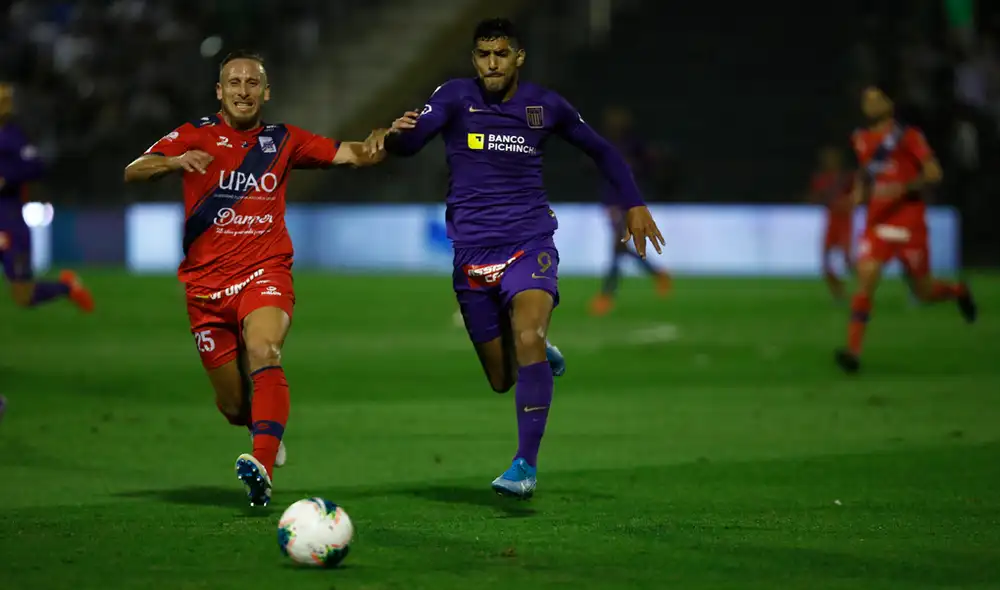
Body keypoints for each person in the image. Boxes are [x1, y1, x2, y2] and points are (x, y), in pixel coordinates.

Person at [371, 18, 664, 498]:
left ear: (518, 57)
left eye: (501, 54)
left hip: (529, 244)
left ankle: (525, 465)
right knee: (501, 378)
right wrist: (397, 134)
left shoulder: (545, 106)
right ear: (473, 59)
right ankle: (535, 350)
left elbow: (603, 151)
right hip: (470, 255)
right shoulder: (452, 96)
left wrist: (633, 202)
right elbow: (409, 143)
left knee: (527, 333)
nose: (491, 63)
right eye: (483, 54)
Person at [123, 50, 386, 506]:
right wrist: (173, 161)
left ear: (266, 92)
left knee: (265, 349)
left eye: (252, 83)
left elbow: (355, 154)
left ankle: (261, 464)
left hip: (264, 274)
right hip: (205, 291)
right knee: (232, 406)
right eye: (234, 83)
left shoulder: (284, 140)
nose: (243, 91)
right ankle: (262, 429)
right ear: (219, 92)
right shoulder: (194, 135)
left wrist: (382, 140)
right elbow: (133, 170)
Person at [835, 84, 976, 374]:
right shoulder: (860, 140)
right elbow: (865, 175)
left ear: (890, 103)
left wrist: (904, 187)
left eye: (877, 99)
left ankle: (958, 290)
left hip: (909, 223)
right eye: (866, 100)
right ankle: (853, 352)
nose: (871, 105)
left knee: (923, 292)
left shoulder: (908, 137)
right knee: (866, 280)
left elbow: (934, 173)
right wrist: (858, 195)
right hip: (878, 223)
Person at [0, 81, 93, 311]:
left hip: (8, 220)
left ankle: (67, 286)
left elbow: (36, 166)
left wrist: (6, 178)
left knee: (23, 295)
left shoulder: (14, 137)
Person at [806, 145, 855, 301]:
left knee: (848, 261)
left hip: (845, 222)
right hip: (831, 221)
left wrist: (849, 202)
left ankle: (865, 288)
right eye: (827, 158)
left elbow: (859, 194)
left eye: (832, 158)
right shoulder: (821, 179)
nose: (829, 161)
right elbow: (815, 198)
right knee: (826, 263)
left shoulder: (848, 177)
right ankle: (839, 294)